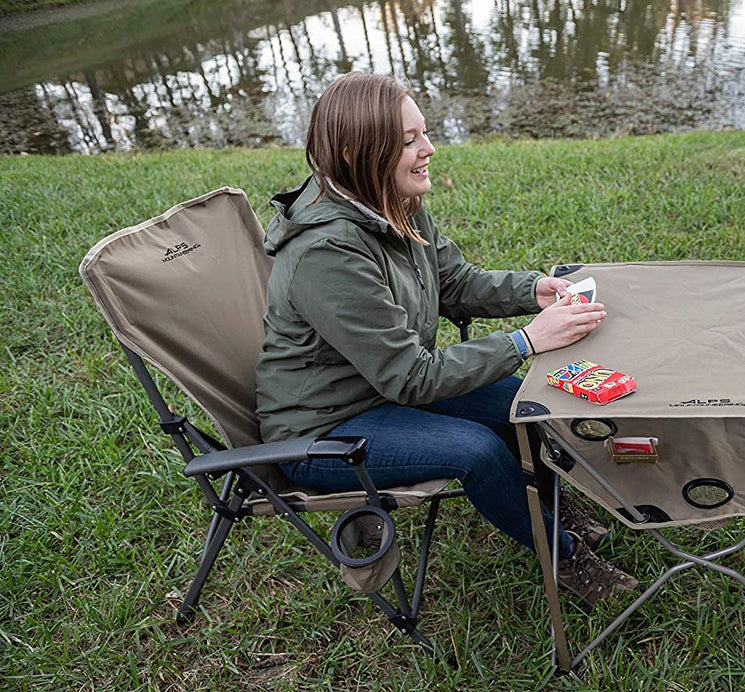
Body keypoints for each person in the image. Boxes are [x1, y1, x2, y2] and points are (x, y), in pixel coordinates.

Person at [255, 72, 637, 605]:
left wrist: (535, 291)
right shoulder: (326, 255)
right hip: (324, 426)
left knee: (524, 404)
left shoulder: (392, 199)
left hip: (381, 385)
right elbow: (409, 376)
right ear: (354, 155)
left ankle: (546, 507)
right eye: (408, 141)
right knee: (476, 452)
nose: (428, 149)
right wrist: (527, 341)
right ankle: (565, 556)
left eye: (424, 133)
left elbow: (453, 280)